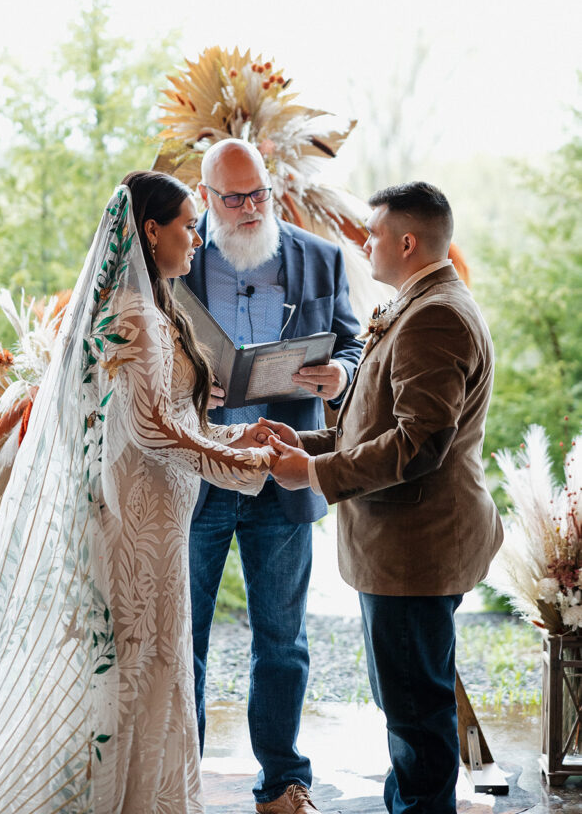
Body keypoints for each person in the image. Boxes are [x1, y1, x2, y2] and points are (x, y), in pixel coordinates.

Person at [0, 171, 276, 814]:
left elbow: (175, 418)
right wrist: (242, 464)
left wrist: (237, 439)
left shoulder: (160, 308)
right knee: (136, 665)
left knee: (159, 660)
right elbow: (149, 428)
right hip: (136, 521)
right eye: (187, 224)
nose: (197, 236)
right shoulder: (133, 316)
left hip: (161, 517)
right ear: (149, 231)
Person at [256, 182, 504, 814]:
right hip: (402, 547)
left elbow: (419, 445)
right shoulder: (416, 304)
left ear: (408, 241)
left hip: (416, 550)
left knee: (416, 713)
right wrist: (307, 445)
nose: (365, 241)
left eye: (373, 232)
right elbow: (370, 424)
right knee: (406, 702)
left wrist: (313, 476)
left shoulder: (435, 317)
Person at [183, 139, 362, 814]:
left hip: (281, 476)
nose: (250, 207)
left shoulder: (319, 257)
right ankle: (177, 777)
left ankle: (284, 782)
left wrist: (340, 372)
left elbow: (352, 341)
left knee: (282, 642)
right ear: (205, 199)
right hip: (198, 478)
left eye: (258, 192)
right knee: (184, 640)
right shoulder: (176, 259)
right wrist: (190, 394)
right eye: (233, 198)